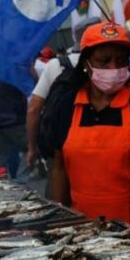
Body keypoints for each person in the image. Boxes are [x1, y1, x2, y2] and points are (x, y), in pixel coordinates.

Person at [47, 22, 130, 238]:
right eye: (103, 61)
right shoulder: (67, 105)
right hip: (85, 228)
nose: (113, 68)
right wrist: (60, 218)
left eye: (120, 61)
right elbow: (58, 168)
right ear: (86, 63)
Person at [25, 17, 97, 168]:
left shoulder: (55, 65)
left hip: (62, 143)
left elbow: (34, 109)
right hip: (100, 141)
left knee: (58, 185)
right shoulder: (114, 65)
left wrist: (32, 147)